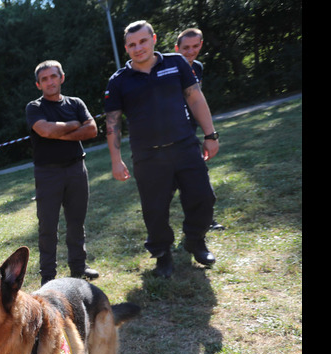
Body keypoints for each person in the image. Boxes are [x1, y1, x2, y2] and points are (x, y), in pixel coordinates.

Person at [104, 21, 220, 278]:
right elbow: (113, 122)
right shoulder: (119, 81)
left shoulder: (176, 63)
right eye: (132, 44)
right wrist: (116, 159)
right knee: (155, 211)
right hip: (148, 157)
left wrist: (210, 135)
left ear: (153, 38)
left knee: (203, 197)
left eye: (143, 41)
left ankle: (195, 240)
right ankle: (162, 255)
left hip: (185, 146)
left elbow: (196, 98)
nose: (138, 48)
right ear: (126, 48)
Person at [25, 60, 100, 284]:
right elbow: (45, 130)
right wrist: (73, 125)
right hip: (48, 173)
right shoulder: (34, 107)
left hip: (77, 169)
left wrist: (60, 132)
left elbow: (92, 129)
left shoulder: (75, 103)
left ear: (62, 78)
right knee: (48, 226)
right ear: (38, 84)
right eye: (44, 79)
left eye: (53, 76)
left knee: (76, 222)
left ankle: (79, 267)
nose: (50, 82)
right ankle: (48, 276)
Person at [175, 28, 224, 232]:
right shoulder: (168, 68)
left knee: (198, 179)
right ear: (177, 48)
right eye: (186, 48)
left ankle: (206, 220)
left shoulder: (198, 67)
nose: (190, 51)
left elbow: (197, 98)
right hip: (170, 132)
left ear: (201, 45)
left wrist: (208, 133)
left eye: (195, 46)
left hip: (190, 131)